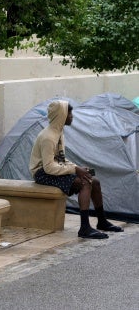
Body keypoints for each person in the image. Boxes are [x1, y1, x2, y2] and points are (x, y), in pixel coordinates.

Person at [29, 100, 123, 239]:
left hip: (53, 169)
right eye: (69, 113)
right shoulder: (48, 137)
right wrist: (75, 170)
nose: (72, 116)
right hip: (41, 173)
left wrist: (78, 168)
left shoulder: (58, 132)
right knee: (85, 182)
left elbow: (60, 159)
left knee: (94, 180)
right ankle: (84, 228)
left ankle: (102, 221)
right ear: (61, 115)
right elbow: (48, 167)